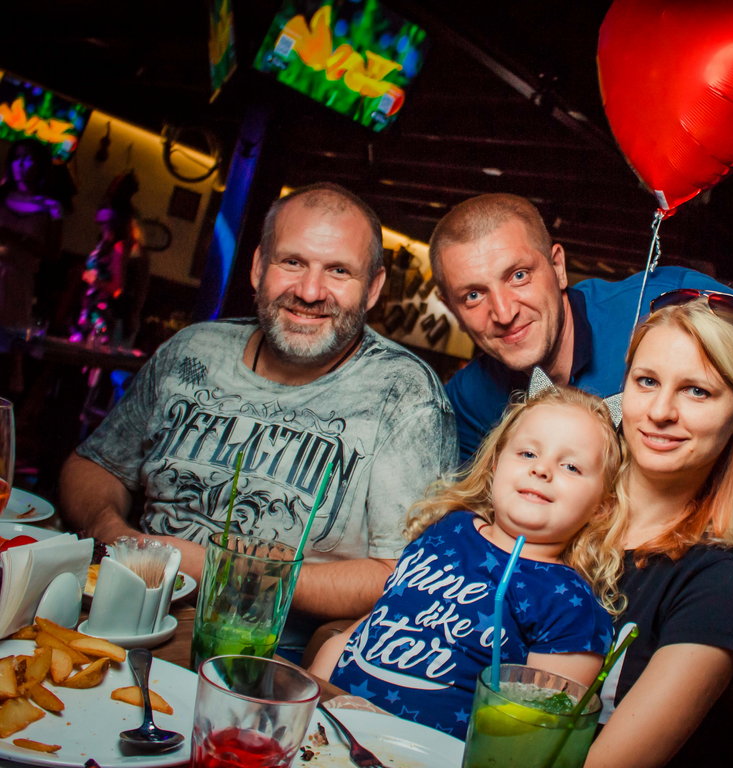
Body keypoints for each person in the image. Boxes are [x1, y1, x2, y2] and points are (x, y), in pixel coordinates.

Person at [429, 193, 733, 718]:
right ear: (451, 306)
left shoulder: (670, 306)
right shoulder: (475, 399)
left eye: (519, 276)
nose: (504, 311)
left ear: (558, 266)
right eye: (473, 295)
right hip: (700, 582)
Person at [59, 182, 458, 635]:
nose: (310, 291)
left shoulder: (405, 394)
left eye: (338, 271)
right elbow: (94, 465)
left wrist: (216, 567)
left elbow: (403, 574)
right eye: (292, 262)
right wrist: (110, 529)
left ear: (372, 289)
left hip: (265, 649)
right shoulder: (192, 350)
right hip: (123, 606)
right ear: (257, 267)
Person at [309, 382, 620, 738]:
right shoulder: (449, 529)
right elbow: (363, 629)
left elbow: (534, 734)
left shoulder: (570, 604)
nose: (541, 470)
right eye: (527, 453)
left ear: (602, 507)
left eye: (571, 466)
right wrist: (307, 708)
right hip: (328, 731)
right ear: (495, 466)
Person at [587, 296, 733, 767]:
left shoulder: (721, 581)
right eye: (647, 381)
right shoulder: (554, 506)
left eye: (696, 391)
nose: (660, 411)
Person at [0, 139, 63, 392]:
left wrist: (16, 238)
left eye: (28, 158)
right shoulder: (1, 195)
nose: (21, 164)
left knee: (7, 353)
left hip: (18, 283)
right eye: (17, 157)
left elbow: (53, 253)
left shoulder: (52, 207)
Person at [72, 171, 149, 347]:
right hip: (94, 310)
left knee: (98, 355)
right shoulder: (106, 244)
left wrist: (91, 279)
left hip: (107, 315)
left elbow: (120, 287)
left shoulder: (122, 246)